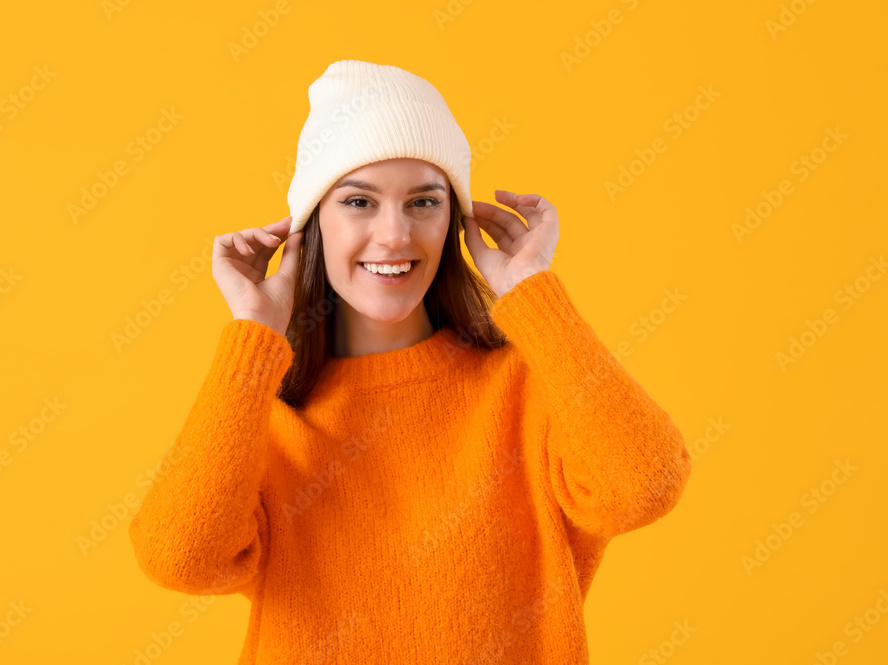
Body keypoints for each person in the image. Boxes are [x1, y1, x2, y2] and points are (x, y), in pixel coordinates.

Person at [129, 59, 693, 664]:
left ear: (454, 220)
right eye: (358, 202)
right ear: (311, 225)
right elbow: (181, 558)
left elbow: (645, 485)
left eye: (424, 202)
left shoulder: (531, 387)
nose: (396, 235)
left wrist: (534, 294)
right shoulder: (259, 418)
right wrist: (252, 336)